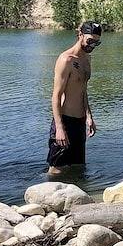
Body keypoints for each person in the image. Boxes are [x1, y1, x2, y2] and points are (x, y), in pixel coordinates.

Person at [47, 21, 101, 175]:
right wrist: (59, 128)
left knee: (78, 167)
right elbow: (55, 96)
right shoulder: (66, 60)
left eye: (97, 43)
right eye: (90, 41)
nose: (92, 46)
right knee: (56, 170)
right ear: (80, 35)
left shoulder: (87, 60)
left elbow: (83, 90)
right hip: (65, 120)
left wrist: (89, 117)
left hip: (80, 122)